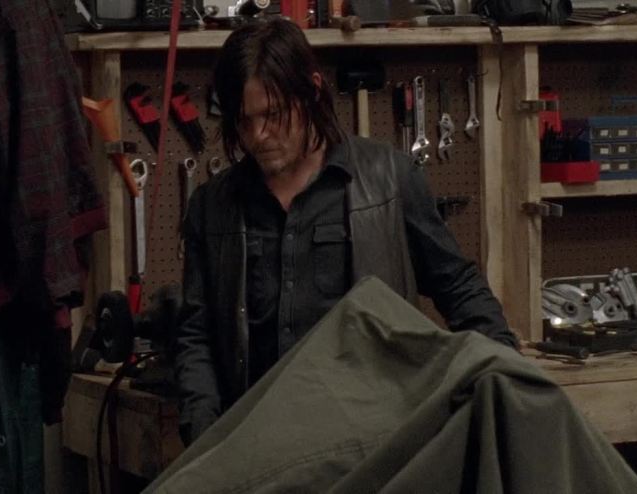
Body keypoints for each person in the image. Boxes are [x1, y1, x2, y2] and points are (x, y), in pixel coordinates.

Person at [175, 17, 519, 445]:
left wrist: (505, 373)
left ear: (312, 90)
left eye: (273, 115)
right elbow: (197, 336)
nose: (258, 136)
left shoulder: (389, 180)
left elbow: (458, 286)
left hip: (372, 444)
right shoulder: (212, 207)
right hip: (257, 445)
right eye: (244, 121)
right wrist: (204, 440)